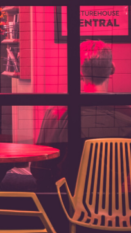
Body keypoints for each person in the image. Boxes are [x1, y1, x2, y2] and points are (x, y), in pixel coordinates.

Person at [32, 40, 131, 188]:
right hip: (117, 203)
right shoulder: (128, 115)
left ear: (78, 72)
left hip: (66, 201)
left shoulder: (57, 113)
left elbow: (39, 169)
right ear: (112, 69)